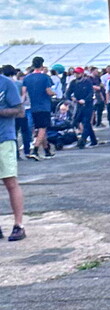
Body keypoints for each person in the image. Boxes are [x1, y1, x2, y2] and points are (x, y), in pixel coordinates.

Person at [0, 66, 27, 241]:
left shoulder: (6, 84)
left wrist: (1, 112)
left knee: (10, 181)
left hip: (4, 138)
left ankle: (19, 225)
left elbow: (20, 110)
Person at [23, 57, 56, 158]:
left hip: (33, 106)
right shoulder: (45, 77)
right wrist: (55, 94)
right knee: (43, 128)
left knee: (41, 128)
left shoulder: (27, 78)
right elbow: (48, 91)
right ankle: (35, 150)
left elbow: (23, 93)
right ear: (42, 65)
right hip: (44, 106)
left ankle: (47, 150)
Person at [66, 68, 98, 148]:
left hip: (88, 105)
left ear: (82, 73)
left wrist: (85, 100)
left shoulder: (87, 81)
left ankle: (83, 140)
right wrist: (72, 98)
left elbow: (91, 93)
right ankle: (93, 140)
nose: (76, 75)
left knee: (86, 122)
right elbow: (68, 93)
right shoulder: (73, 82)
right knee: (79, 121)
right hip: (78, 105)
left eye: (78, 73)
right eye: (75, 73)